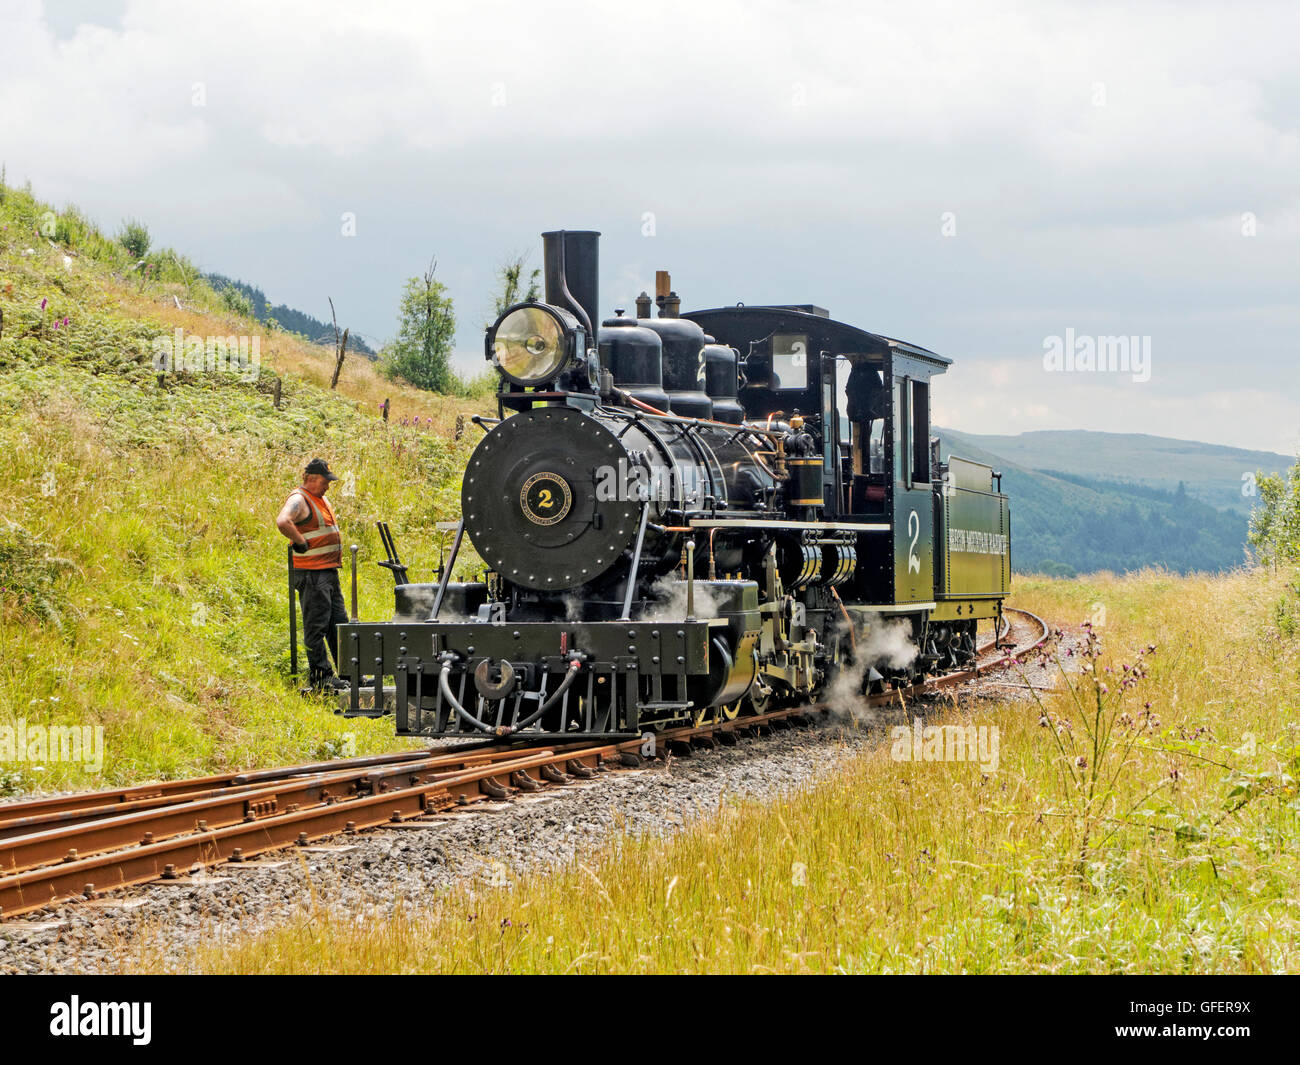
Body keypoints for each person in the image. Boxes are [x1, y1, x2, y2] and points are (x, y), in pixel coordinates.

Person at [276, 458, 348, 691]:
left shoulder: (319, 498)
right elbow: (283, 521)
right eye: (324, 481)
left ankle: (349, 674)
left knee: (339, 624)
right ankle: (321, 677)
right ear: (310, 479)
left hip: (328, 571)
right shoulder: (299, 499)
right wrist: (300, 541)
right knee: (317, 626)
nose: (328, 485)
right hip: (312, 574)